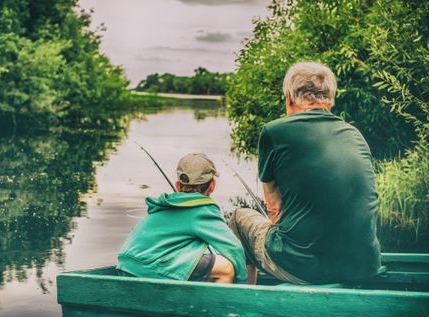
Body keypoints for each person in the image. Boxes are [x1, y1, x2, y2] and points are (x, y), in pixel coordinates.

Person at [228, 61, 381, 285]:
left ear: (289, 97)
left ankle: (244, 298)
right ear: (331, 99)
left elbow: (274, 209)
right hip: (364, 265)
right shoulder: (355, 134)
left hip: (307, 270)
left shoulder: (274, 131)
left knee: (239, 218)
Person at [117, 153, 248, 284]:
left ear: (178, 186)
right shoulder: (203, 210)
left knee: (204, 266)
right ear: (212, 185)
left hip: (127, 263)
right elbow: (233, 249)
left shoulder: (166, 203)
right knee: (226, 268)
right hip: (149, 267)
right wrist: (242, 284)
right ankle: (219, 305)